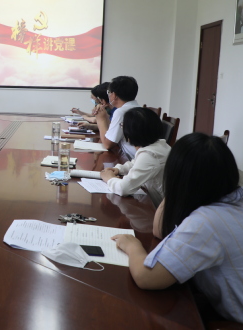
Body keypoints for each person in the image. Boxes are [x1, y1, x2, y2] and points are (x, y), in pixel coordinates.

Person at [112, 133, 243, 323]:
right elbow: (160, 230)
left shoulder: (206, 222)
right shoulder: (233, 200)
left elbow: (146, 277)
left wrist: (132, 245)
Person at [100, 108, 170, 206]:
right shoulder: (159, 145)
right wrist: (119, 169)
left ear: (130, 132)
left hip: (160, 210)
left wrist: (109, 178)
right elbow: (136, 163)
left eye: (123, 126)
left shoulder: (150, 155)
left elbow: (124, 188)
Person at [94, 76, 139, 159]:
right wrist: (105, 117)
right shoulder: (137, 108)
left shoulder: (121, 112)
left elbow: (108, 144)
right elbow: (112, 133)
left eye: (109, 92)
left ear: (114, 95)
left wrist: (101, 120)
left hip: (131, 159)